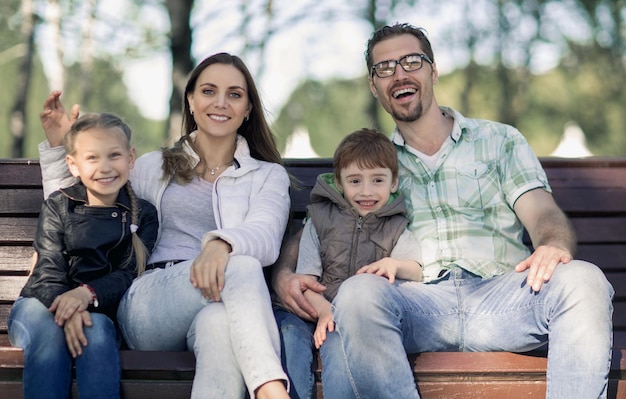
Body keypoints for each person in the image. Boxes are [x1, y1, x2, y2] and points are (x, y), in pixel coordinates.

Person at [272, 23, 614, 399]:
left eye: (412, 61)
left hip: (504, 297)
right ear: (374, 86)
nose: (399, 73)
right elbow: (322, 225)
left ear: (433, 72)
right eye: (384, 68)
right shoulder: (374, 163)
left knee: (584, 280)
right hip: (418, 304)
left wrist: (552, 244)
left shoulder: (498, 140)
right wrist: (285, 274)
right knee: (357, 294)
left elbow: (543, 213)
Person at [38, 52, 292, 398]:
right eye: (208, 91)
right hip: (150, 301)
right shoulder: (152, 166)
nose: (220, 102)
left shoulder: (267, 175)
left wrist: (220, 245)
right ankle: (271, 390)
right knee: (242, 265)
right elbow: (77, 210)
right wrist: (60, 148)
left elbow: (266, 233)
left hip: (221, 300)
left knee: (219, 327)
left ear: (248, 108)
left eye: (234, 94)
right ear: (190, 100)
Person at [8, 113, 159, 399]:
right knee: (50, 334)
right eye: (92, 158)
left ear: (131, 157)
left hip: (98, 310)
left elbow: (128, 273)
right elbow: (48, 268)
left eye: (114, 155)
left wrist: (86, 296)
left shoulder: (144, 215)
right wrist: (68, 310)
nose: (105, 167)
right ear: (73, 165)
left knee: (100, 331)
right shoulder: (59, 206)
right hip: (40, 305)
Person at [274, 128, 422, 398]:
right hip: (308, 309)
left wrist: (395, 264)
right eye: (355, 181)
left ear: (393, 182)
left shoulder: (397, 227)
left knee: (338, 350)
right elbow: (306, 281)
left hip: (349, 322)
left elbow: (416, 269)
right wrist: (325, 312)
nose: (366, 191)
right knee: (288, 341)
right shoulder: (319, 221)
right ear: (339, 184)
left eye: (377, 180)